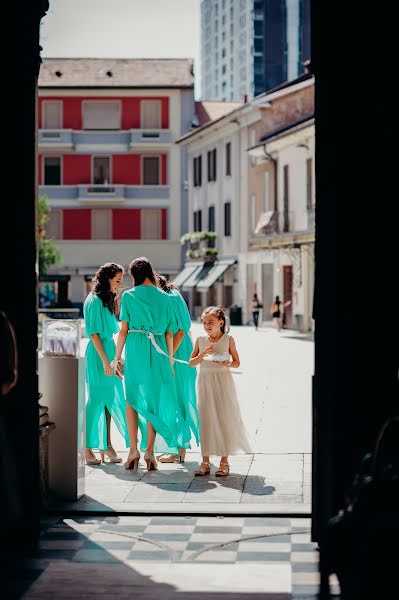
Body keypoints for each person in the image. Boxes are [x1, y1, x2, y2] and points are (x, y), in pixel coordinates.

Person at [113, 257, 190, 472]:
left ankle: (133, 451)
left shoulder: (128, 296)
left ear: (135, 275)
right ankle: (150, 452)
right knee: (152, 403)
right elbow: (169, 332)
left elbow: (123, 331)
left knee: (131, 400)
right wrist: (171, 361)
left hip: (136, 349)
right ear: (150, 272)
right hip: (159, 353)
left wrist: (117, 357)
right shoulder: (166, 299)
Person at [324, 417, 399, 598]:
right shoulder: (372, 468)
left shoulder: (373, 475)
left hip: (369, 529)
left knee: (337, 530)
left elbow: (353, 498)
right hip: (370, 526)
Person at [189, 305, 251, 477]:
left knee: (224, 418)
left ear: (221, 322)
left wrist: (228, 364)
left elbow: (237, 362)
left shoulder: (228, 340)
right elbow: (191, 362)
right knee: (206, 419)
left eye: (211, 322)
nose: (207, 325)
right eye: (204, 322)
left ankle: (224, 461)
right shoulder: (200, 340)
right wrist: (203, 354)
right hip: (205, 382)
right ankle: (205, 461)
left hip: (223, 382)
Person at [83, 263, 129, 466]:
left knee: (109, 400)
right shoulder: (93, 300)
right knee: (95, 401)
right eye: (117, 280)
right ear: (108, 278)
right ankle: (87, 447)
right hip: (98, 354)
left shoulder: (105, 299)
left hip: (109, 351)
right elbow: (93, 334)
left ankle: (106, 444)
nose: (119, 285)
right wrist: (105, 361)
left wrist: (117, 358)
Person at [156, 275, 200, 464]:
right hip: (178, 351)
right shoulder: (173, 296)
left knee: (175, 400)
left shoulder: (171, 298)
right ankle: (178, 447)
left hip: (178, 352)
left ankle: (178, 448)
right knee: (176, 399)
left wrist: (170, 358)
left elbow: (180, 330)